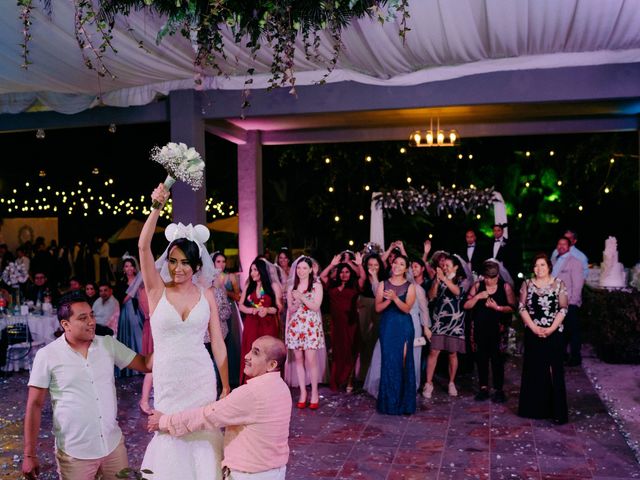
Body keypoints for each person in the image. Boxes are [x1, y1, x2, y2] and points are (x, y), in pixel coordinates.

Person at [138, 184, 229, 479]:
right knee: (170, 434)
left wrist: (226, 386)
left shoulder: (208, 296)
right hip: (169, 376)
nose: (178, 269)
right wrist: (156, 207)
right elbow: (142, 247)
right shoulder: (156, 291)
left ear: (196, 265)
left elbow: (217, 343)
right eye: (174, 261)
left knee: (202, 434)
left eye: (186, 263)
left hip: (201, 375)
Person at [21, 292, 153, 480]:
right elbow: (34, 405)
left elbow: (146, 364)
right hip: (75, 453)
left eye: (92, 315)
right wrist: (29, 455)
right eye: (83, 318)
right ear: (65, 324)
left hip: (113, 446)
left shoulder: (107, 344)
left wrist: (169, 337)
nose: (91, 322)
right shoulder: (48, 355)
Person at [148, 336, 291, 480]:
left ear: (272, 365)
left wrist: (164, 421)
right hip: (275, 472)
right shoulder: (282, 387)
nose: (247, 356)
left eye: (256, 353)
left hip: (250, 475)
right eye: (250, 350)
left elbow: (208, 416)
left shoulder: (251, 394)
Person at [518, 253, 569, 424]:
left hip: (554, 333)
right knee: (534, 369)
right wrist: (533, 327)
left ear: (549, 267)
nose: (538, 269)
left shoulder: (559, 284)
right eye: (536, 265)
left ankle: (557, 411)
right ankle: (534, 409)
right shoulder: (527, 284)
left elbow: (563, 309)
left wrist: (551, 329)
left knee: (554, 370)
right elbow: (521, 307)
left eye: (542, 265)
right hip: (533, 333)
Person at [463, 260, 516, 403]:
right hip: (480, 329)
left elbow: (512, 307)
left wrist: (497, 308)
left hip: (498, 330)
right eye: (485, 277)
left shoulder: (505, 287)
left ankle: (499, 389)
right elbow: (466, 305)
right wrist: (478, 297)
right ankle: (483, 388)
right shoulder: (478, 286)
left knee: (497, 360)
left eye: (491, 277)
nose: (488, 280)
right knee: (481, 359)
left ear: (497, 276)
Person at [374, 254, 417, 415]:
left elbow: (407, 308)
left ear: (406, 268)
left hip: (404, 326)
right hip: (388, 326)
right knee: (389, 362)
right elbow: (377, 308)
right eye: (395, 263)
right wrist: (389, 300)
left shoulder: (410, 286)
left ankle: (404, 404)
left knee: (404, 362)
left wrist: (395, 298)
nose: (397, 266)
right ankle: (389, 404)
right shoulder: (382, 284)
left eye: (401, 264)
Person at [424, 254, 469, 399]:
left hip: (455, 323)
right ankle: (428, 383)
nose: (444, 267)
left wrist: (445, 279)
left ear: (455, 267)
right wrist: (437, 283)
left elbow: (458, 292)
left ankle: (451, 382)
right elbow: (431, 296)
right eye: (444, 265)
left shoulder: (462, 280)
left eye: (448, 265)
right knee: (433, 351)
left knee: (452, 354)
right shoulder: (438, 279)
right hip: (439, 321)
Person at [286, 256, 324, 409]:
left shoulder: (316, 286)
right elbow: (291, 309)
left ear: (310, 270)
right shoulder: (291, 288)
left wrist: (301, 297)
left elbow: (315, 306)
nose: (301, 271)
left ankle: (314, 392)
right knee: (299, 360)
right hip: (296, 326)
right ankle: (303, 392)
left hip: (310, 325)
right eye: (299, 268)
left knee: (311, 360)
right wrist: (295, 301)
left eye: (304, 268)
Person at [320, 254, 362, 392]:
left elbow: (363, 277)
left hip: (350, 323)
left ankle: (349, 380)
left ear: (351, 273)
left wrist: (359, 264)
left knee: (350, 351)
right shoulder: (332, 284)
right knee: (337, 352)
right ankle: (336, 380)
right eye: (342, 272)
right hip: (336, 324)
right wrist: (332, 265)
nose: (344, 274)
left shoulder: (355, 285)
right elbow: (323, 276)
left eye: (347, 272)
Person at [238, 258, 282, 385]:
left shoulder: (272, 286)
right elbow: (241, 305)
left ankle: (268, 384)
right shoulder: (249, 286)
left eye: (255, 270)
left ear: (262, 271)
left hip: (267, 325)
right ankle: (249, 383)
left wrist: (267, 309)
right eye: (251, 270)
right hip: (251, 324)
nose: (252, 273)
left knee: (267, 353)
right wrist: (252, 311)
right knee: (251, 352)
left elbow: (278, 308)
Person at [552, 237, 585, 366]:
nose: (561, 246)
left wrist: (573, 302)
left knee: (573, 332)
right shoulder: (555, 261)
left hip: (570, 302)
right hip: (557, 303)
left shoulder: (575, 262)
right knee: (562, 331)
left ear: (569, 246)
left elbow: (578, 284)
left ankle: (576, 358)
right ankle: (563, 355)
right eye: (559, 244)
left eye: (564, 244)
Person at [212, 251, 242, 388]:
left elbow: (238, 296)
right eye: (218, 261)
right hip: (214, 312)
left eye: (223, 261)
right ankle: (215, 378)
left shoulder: (231, 277)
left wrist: (226, 291)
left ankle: (232, 378)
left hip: (230, 311)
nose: (221, 264)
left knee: (231, 343)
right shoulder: (209, 278)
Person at [356, 253, 386, 383]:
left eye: (376, 265)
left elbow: (379, 292)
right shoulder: (362, 277)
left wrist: (374, 276)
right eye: (370, 265)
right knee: (363, 340)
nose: (373, 267)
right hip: (364, 305)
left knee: (375, 341)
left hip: (378, 308)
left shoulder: (383, 279)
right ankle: (361, 377)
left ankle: (373, 378)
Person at [115, 256, 147, 377]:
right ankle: (131, 368)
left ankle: (144, 365)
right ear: (123, 269)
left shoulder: (141, 280)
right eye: (126, 266)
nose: (129, 268)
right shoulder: (121, 283)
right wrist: (133, 289)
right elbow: (121, 300)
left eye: (131, 266)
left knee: (141, 337)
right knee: (127, 339)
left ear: (134, 268)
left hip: (139, 311)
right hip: (127, 313)